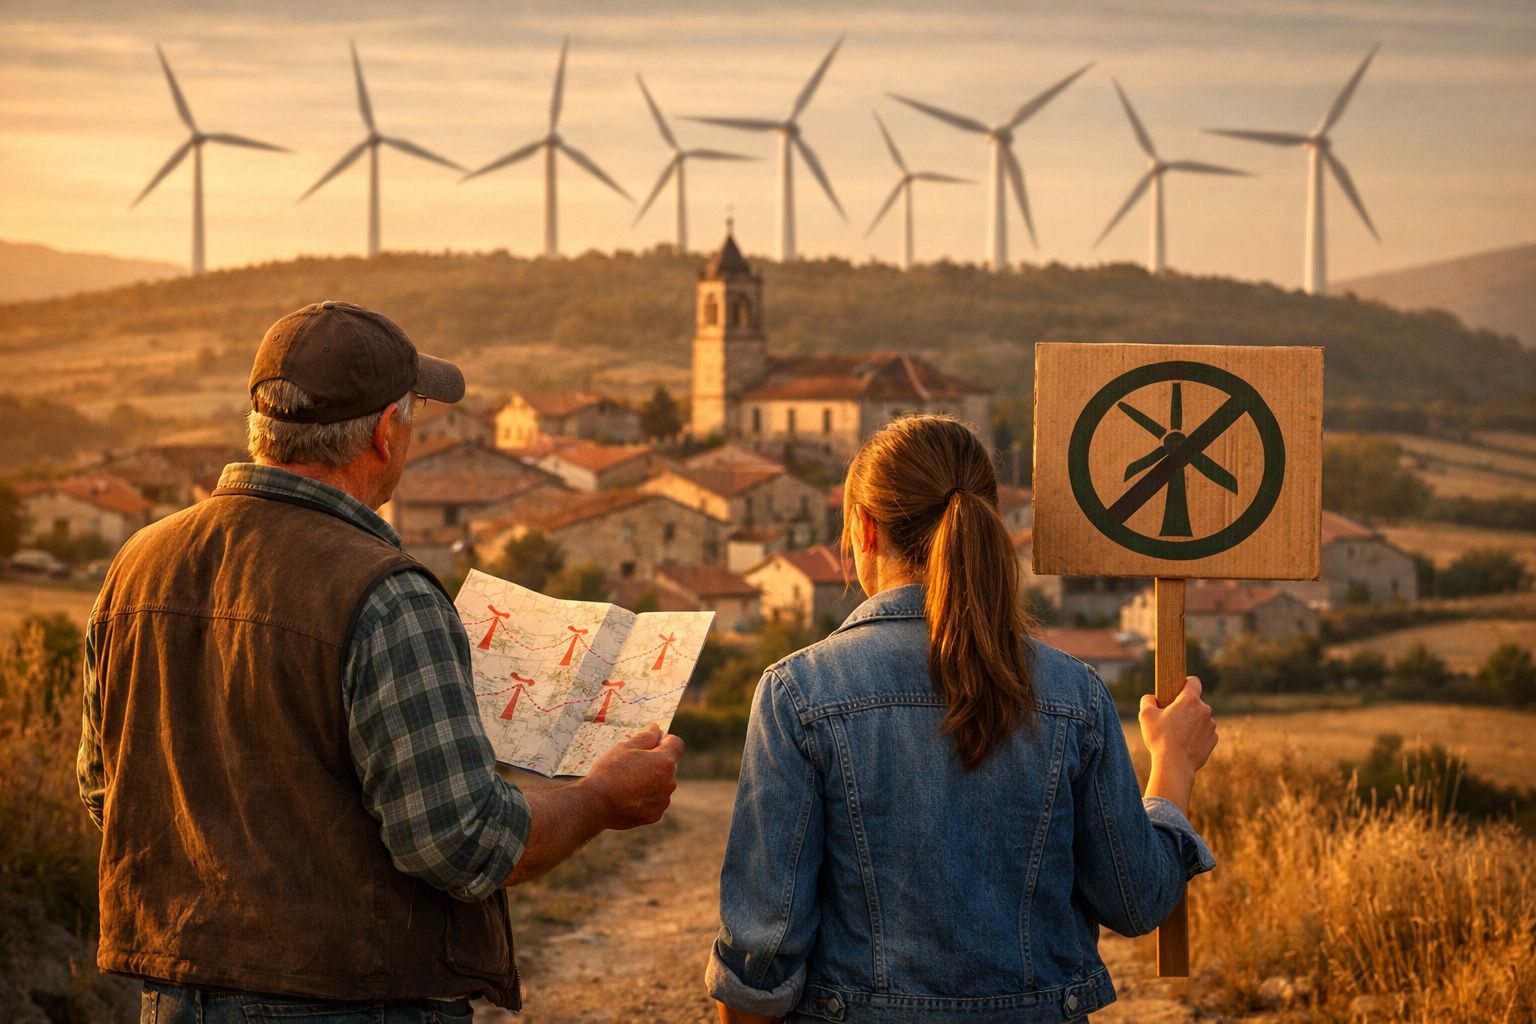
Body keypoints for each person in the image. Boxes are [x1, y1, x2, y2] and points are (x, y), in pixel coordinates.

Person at [77, 300, 684, 1023]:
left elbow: (101, 790)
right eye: (413, 412)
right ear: (381, 433)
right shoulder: (386, 594)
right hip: (348, 1003)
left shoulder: (136, 567)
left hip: (174, 996)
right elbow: (463, 844)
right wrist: (600, 798)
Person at [707, 414, 1217, 1024]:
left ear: (864, 529)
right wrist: (1174, 766)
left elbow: (762, 955)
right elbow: (1135, 901)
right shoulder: (1074, 693)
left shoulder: (797, 691)